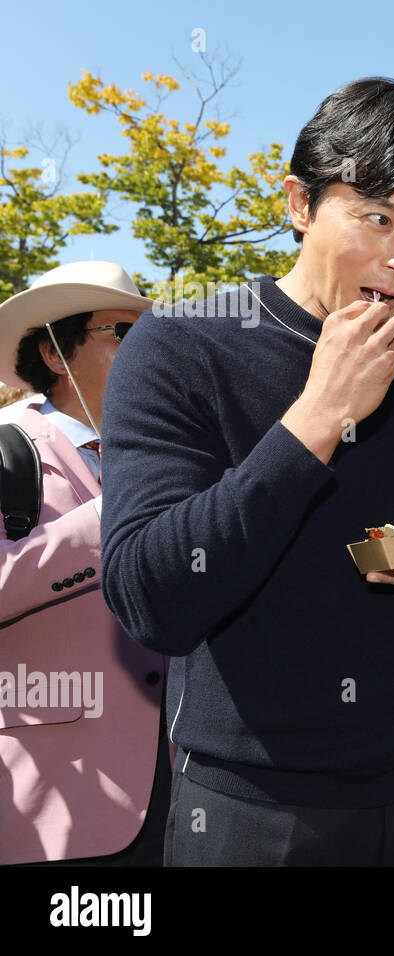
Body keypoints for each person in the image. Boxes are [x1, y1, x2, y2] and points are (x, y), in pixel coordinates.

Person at [100, 77, 394, 866]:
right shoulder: (182, 342)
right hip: (253, 810)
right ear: (298, 204)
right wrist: (318, 416)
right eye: (378, 218)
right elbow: (149, 598)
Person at [0, 261, 168, 865]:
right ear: (53, 352)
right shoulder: (5, 448)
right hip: (53, 797)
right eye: (121, 333)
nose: (147, 350)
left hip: (183, 785)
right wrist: (110, 518)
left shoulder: (169, 452)